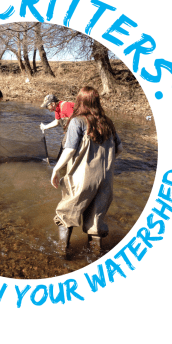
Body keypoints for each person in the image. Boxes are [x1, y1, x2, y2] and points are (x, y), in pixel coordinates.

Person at [50, 86, 123, 256]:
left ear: (79, 102)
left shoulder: (78, 121)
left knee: (65, 215)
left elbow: (69, 151)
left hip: (82, 180)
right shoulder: (108, 122)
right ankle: (94, 256)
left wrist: (56, 169)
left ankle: (63, 253)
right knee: (96, 221)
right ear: (97, 102)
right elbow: (119, 149)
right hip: (106, 181)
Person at [40, 94, 75, 159]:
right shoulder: (57, 110)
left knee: (64, 145)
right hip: (70, 130)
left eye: (47, 106)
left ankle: (61, 164)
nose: (47, 108)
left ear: (53, 104)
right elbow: (57, 122)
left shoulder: (65, 106)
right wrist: (45, 127)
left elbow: (76, 121)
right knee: (63, 145)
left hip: (76, 130)